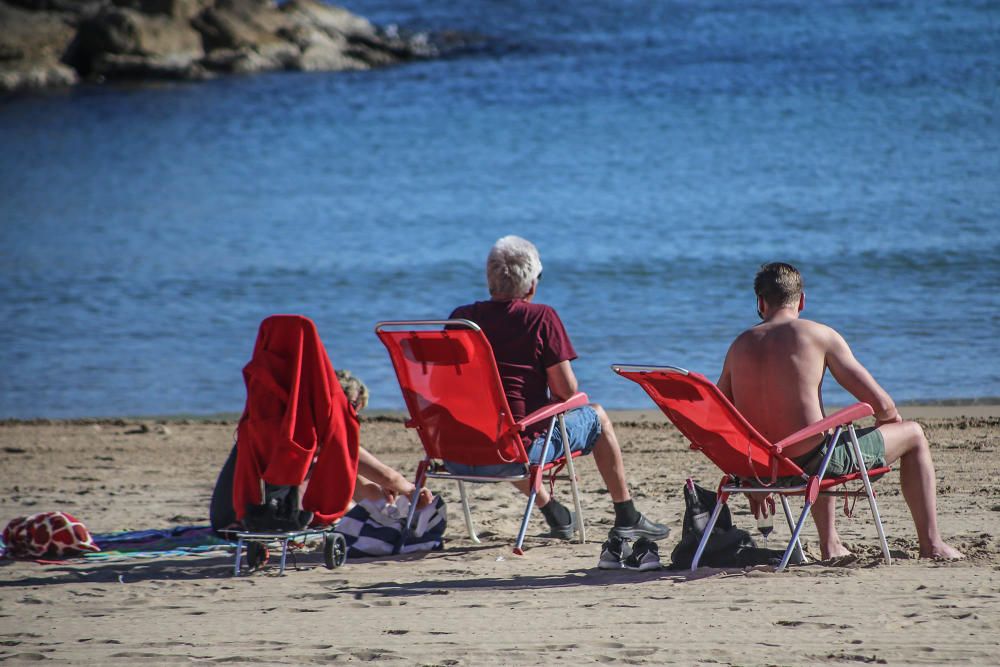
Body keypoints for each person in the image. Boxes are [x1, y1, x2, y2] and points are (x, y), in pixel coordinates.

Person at [717, 262, 963, 560]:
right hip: (812, 460)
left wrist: (748, 473)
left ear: (760, 302)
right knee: (912, 434)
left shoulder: (739, 345)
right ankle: (931, 544)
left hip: (761, 465)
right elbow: (881, 405)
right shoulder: (819, 335)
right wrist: (889, 422)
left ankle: (831, 542)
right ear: (802, 300)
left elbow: (721, 416)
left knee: (826, 437)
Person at [447, 235, 669, 541]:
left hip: (457, 450)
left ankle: (555, 513)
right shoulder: (541, 317)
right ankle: (627, 515)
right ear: (532, 285)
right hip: (513, 450)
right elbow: (566, 391)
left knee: (500, 428)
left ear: (490, 280)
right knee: (595, 415)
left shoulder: (461, 319)